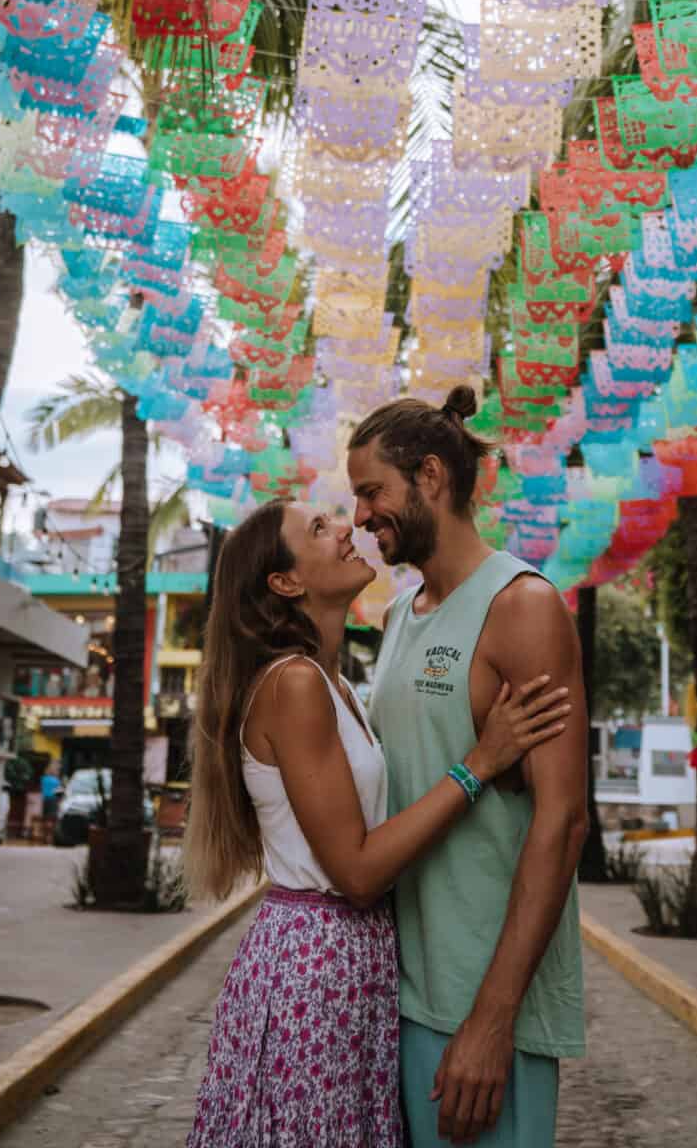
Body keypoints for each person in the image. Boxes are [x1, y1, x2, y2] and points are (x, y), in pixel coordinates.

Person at [181, 499, 570, 1147]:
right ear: (285, 582)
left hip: (344, 960)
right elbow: (358, 872)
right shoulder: (296, 684)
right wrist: (480, 762)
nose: (347, 528)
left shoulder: (332, 681)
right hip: (315, 961)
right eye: (319, 528)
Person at [347, 386, 588, 1148]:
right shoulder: (396, 615)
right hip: (402, 994)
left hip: (484, 1009)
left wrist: (493, 1018)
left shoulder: (521, 606)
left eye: (370, 492)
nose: (358, 517)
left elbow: (564, 818)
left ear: (429, 477)